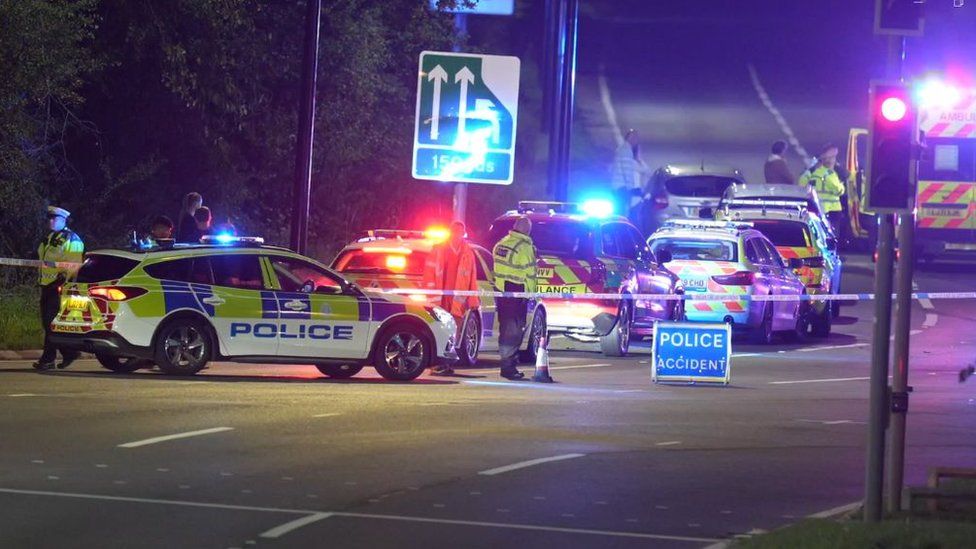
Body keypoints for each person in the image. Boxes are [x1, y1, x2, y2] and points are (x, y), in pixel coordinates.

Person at [422, 221, 480, 376]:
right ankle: (436, 364)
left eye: (460, 232)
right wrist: (429, 297)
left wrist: (473, 299)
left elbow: (472, 278)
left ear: (463, 234)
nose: (457, 235)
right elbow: (428, 274)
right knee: (439, 332)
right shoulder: (438, 250)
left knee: (453, 333)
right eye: (454, 232)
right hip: (439, 300)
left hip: (457, 302)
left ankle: (446, 363)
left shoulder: (468, 253)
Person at [34, 206, 84, 371]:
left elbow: (74, 263)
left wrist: (63, 281)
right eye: (49, 218)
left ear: (63, 220)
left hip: (60, 287)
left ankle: (48, 359)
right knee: (47, 323)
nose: (50, 221)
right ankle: (69, 352)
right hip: (46, 286)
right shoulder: (48, 238)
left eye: (54, 218)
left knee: (51, 322)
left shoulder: (72, 239)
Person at [491, 216, 538, 381]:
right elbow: (530, 274)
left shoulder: (502, 243)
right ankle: (508, 367)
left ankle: (507, 363)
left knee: (505, 329)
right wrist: (532, 295)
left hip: (501, 291)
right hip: (517, 292)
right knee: (514, 331)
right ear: (527, 230)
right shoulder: (525, 248)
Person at [799, 144, 846, 231]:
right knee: (832, 235)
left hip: (815, 208)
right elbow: (839, 190)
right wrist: (842, 186)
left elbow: (801, 183)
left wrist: (809, 170)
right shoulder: (829, 174)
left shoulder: (811, 173)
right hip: (832, 210)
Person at [610, 129, 652, 220]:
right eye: (633, 137)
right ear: (629, 138)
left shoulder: (623, 149)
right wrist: (630, 189)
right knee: (622, 213)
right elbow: (627, 171)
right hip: (622, 188)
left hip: (620, 187)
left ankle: (618, 231)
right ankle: (620, 231)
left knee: (621, 212)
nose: (635, 140)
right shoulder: (626, 151)